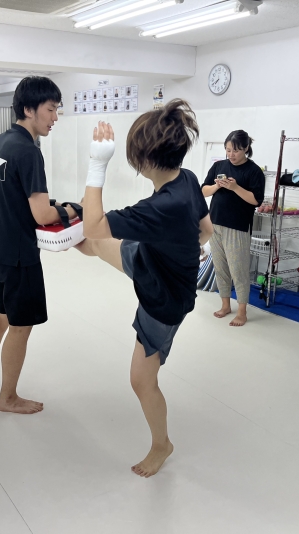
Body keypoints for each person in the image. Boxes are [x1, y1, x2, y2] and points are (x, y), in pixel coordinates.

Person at [75, 100, 214, 478]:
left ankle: (161, 445)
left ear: (145, 159)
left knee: (141, 380)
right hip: (150, 257)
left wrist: (97, 163)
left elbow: (95, 224)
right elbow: (206, 230)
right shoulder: (186, 179)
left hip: (164, 298)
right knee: (91, 244)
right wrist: (184, 248)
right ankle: (69, 244)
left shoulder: (162, 207)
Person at [0, 77, 80, 414]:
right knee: (20, 327)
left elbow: (13, 196)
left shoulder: (0, 142)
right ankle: (8, 398)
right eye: (51, 110)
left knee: (1, 317)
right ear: (30, 109)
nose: (55, 118)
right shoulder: (29, 151)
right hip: (18, 254)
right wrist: (71, 210)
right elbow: (42, 214)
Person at [201, 130, 265, 327]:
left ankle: (242, 312)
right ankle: (225, 305)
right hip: (215, 223)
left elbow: (256, 200)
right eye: (228, 150)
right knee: (220, 268)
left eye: (235, 150)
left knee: (238, 270)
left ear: (246, 148)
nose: (231, 154)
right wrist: (217, 186)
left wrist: (235, 188)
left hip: (237, 227)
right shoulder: (219, 166)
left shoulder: (254, 171)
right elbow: (203, 190)